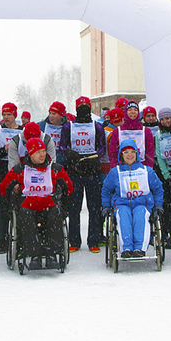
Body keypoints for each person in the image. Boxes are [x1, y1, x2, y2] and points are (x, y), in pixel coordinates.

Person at [0, 137, 73, 269]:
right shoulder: (20, 169)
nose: (42, 155)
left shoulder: (55, 169)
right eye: (38, 152)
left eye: (44, 151)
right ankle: (34, 253)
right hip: (28, 204)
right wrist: (9, 206)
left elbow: (69, 187)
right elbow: (4, 187)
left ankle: (52, 253)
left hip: (48, 203)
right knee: (25, 214)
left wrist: (65, 205)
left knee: (55, 213)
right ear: (30, 154)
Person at [101, 139, 163, 258]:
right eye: (126, 152)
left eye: (132, 152)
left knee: (140, 215)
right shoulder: (115, 172)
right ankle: (126, 247)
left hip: (142, 204)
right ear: (121, 155)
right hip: (122, 204)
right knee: (123, 216)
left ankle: (139, 248)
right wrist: (106, 206)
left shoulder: (146, 171)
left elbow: (158, 189)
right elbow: (106, 190)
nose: (130, 155)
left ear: (137, 154)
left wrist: (158, 205)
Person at [64, 96, 106, 253]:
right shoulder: (68, 126)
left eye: (85, 105)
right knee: (74, 208)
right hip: (75, 170)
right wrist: (69, 153)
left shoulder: (97, 126)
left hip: (92, 170)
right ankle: (74, 241)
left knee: (94, 207)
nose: (83, 108)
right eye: (80, 105)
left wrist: (95, 156)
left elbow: (102, 146)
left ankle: (93, 240)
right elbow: (63, 145)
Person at [0, 102, 22, 253]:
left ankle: (21, 239)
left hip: (19, 170)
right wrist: (3, 150)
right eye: (4, 115)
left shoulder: (23, 130)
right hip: (2, 171)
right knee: (3, 209)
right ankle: (3, 242)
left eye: (9, 115)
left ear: (15, 115)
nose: (6, 117)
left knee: (21, 208)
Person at [152, 107, 171, 248]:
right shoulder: (159, 134)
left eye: (167, 118)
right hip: (167, 172)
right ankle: (168, 232)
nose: (165, 121)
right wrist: (166, 175)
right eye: (162, 119)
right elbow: (159, 155)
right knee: (168, 205)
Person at [107, 101, 156, 168]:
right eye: (130, 110)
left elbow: (150, 152)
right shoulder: (117, 131)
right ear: (126, 112)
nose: (133, 112)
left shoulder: (146, 131)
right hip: (123, 168)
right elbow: (113, 153)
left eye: (135, 110)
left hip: (141, 167)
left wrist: (148, 168)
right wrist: (115, 168)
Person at [39, 101, 71, 166]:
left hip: (63, 163)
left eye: (54, 114)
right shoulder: (41, 126)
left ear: (61, 116)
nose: (50, 116)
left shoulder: (68, 127)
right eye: (49, 113)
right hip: (44, 163)